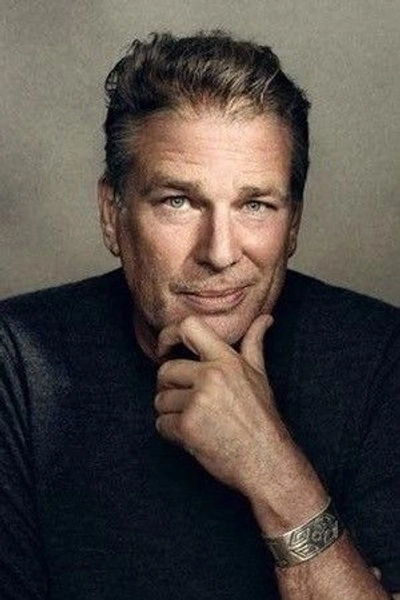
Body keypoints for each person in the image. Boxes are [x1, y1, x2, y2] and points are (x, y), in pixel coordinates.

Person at [0, 31, 398, 600]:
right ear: (112, 214)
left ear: (293, 224)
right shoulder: (18, 362)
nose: (219, 251)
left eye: (255, 205)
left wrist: (275, 472)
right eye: (179, 201)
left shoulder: (381, 357)